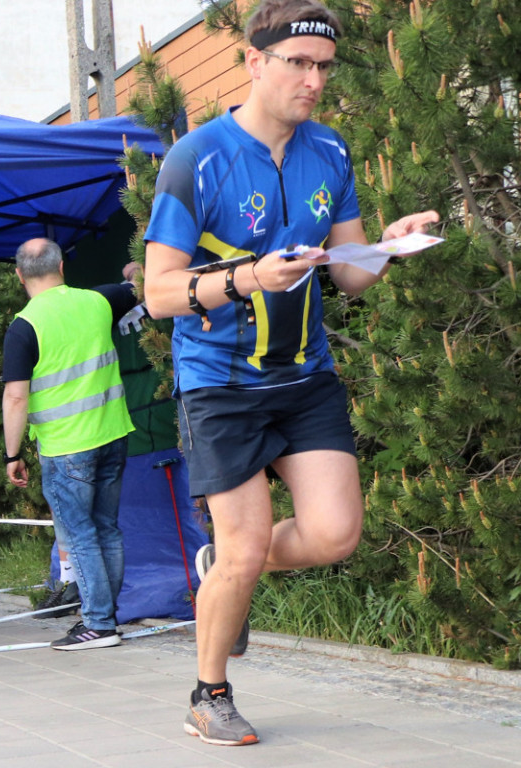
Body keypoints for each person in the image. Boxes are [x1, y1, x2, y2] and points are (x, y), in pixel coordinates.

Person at [142, 0, 440, 746]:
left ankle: (225, 572)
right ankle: (208, 694)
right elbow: (157, 293)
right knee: (245, 549)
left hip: (306, 377)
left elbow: (350, 273)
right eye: (299, 64)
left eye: (324, 67)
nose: (314, 80)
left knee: (335, 534)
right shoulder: (196, 159)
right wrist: (247, 280)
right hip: (220, 382)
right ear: (254, 63)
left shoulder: (330, 152)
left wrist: (389, 246)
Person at [1, 238, 136, 651]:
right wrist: (133, 271)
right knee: (107, 529)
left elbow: (16, 397)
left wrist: (12, 454)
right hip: (113, 435)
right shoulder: (98, 301)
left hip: (65, 448)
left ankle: (98, 625)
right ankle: (106, 618)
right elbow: (137, 283)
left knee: (79, 535)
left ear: (20, 275)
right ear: (62, 267)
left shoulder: (23, 327)